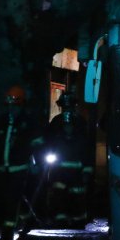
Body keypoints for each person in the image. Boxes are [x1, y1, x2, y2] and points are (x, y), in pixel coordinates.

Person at [0, 85, 43, 240]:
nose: (11, 108)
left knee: (11, 201)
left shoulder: (28, 122)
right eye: (9, 105)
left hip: (19, 168)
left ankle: (6, 236)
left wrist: (38, 163)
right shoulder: (3, 120)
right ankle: (30, 219)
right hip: (3, 168)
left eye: (14, 105)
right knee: (11, 199)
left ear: (21, 104)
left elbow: (37, 145)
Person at [42, 90, 93, 228]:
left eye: (69, 106)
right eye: (64, 107)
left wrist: (87, 170)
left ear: (74, 106)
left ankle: (78, 223)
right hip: (58, 170)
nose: (67, 110)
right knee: (58, 196)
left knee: (77, 197)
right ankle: (60, 222)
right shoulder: (56, 122)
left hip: (76, 170)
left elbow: (86, 148)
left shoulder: (81, 123)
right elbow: (48, 142)